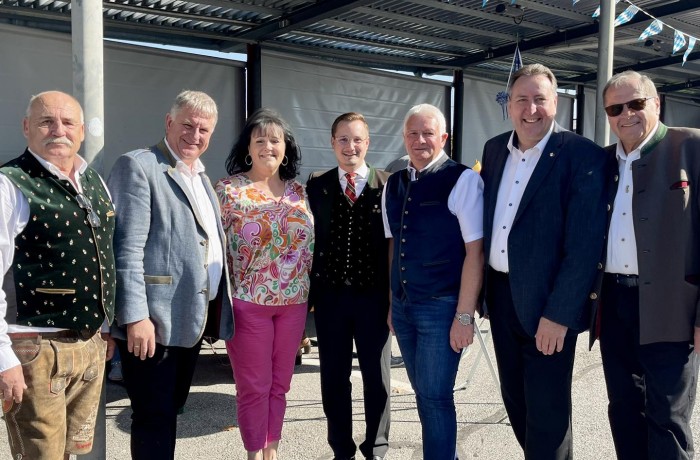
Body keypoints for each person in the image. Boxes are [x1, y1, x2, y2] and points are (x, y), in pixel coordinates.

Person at [480, 63, 607, 459]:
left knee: (548, 411)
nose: (530, 109)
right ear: (509, 106)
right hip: (501, 298)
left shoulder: (581, 155)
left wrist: (560, 314)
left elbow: (584, 247)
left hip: (547, 305)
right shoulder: (494, 149)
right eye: (522, 100)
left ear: (556, 103)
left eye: (540, 100)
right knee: (515, 401)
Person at [108, 90, 234, 460]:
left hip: (188, 320)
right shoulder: (139, 166)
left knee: (171, 409)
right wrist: (135, 317)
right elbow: (126, 248)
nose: (195, 135)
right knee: (153, 416)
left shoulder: (201, 178)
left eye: (204, 130)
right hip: (154, 323)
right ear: (168, 122)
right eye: (188, 125)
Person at [0, 90, 115, 459]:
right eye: (46, 121)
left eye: (67, 122)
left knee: (72, 453)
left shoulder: (94, 181)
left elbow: (104, 255)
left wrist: (106, 329)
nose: (58, 130)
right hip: (35, 348)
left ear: (81, 130)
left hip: (89, 345)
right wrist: (5, 360)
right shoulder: (9, 183)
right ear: (26, 128)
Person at [593, 70, 700, 460]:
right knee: (623, 408)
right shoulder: (602, 161)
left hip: (672, 308)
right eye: (615, 108)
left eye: (636, 103)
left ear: (656, 104)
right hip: (615, 303)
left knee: (668, 416)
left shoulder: (690, 146)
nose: (626, 114)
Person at [382, 103, 484, 460]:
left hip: (442, 306)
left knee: (437, 396)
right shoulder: (392, 184)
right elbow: (394, 244)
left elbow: (476, 252)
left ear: (443, 138)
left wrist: (464, 316)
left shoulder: (463, 179)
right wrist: (392, 302)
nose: (420, 140)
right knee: (423, 393)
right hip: (405, 306)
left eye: (428, 133)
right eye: (413, 133)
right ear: (404, 137)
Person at [216, 108, 314, 460]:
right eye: (260, 140)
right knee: (253, 387)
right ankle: (254, 454)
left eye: (275, 140)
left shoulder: (300, 191)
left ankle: (272, 451)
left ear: (286, 148)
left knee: (280, 385)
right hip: (248, 304)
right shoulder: (227, 191)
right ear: (248, 147)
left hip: (294, 304)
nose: (268, 147)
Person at [307, 112, 391, 460]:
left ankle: (377, 448)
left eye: (357, 139)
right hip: (331, 300)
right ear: (332, 143)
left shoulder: (388, 184)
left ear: (367, 143)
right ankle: (341, 448)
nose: (350, 146)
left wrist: (393, 300)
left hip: (374, 300)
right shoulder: (317, 184)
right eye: (343, 139)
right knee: (334, 379)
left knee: (378, 380)